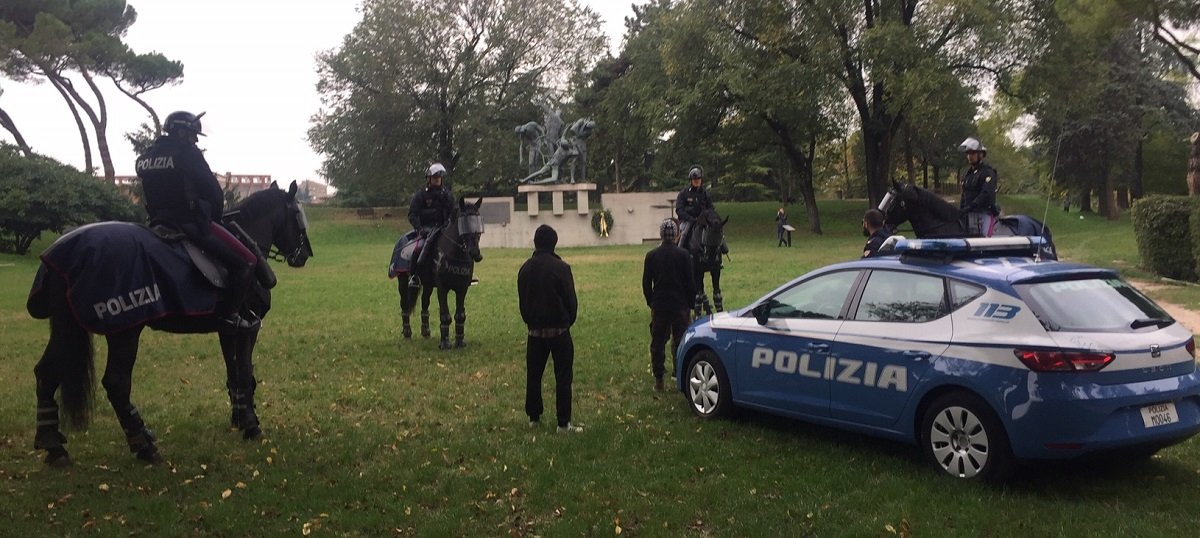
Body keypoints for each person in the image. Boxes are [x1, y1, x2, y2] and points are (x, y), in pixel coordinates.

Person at [136, 111, 259, 333]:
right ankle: (230, 316)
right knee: (247, 261)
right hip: (189, 223)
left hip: (156, 223)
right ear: (181, 132)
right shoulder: (187, 154)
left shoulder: (146, 158)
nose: (195, 140)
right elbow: (213, 191)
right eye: (193, 135)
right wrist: (212, 214)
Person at [517, 225, 581, 433]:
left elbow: (523, 304)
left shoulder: (525, 269)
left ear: (535, 242)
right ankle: (563, 423)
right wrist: (566, 321)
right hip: (559, 330)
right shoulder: (561, 268)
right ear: (554, 242)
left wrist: (531, 322)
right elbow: (571, 302)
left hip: (534, 332)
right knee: (563, 376)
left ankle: (533, 417)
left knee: (533, 376)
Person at [642, 219, 696, 391]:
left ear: (660, 235)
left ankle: (659, 380)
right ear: (677, 235)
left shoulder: (651, 256)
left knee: (658, 342)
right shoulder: (684, 255)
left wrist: (651, 301)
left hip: (660, 305)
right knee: (680, 341)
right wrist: (690, 303)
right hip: (680, 305)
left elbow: (646, 284)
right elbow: (691, 283)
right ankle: (680, 375)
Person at [407, 162, 455, 287]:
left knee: (461, 246)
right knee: (418, 249)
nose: (437, 180)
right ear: (429, 179)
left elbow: (453, 212)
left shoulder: (447, 195)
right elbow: (412, 214)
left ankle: (464, 275)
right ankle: (414, 276)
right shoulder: (421, 195)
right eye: (435, 177)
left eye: (439, 177)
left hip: (445, 229)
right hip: (427, 229)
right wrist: (420, 229)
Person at [958, 137, 999, 237]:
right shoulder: (968, 174)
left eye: (972, 153)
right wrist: (961, 211)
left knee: (984, 242)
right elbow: (964, 195)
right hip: (968, 215)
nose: (969, 156)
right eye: (968, 154)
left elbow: (986, 194)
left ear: (980, 154)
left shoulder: (988, 172)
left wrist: (971, 206)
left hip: (984, 213)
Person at [675, 165, 714, 248]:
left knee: (716, 230)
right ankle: (678, 251)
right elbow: (679, 210)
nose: (697, 181)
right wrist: (690, 218)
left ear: (701, 180)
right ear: (691, 180)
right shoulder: (684, 193)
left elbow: (711, 208)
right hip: (688, 221)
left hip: (704, 221)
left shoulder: (706, 194)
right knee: (684, 234)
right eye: (694, 179)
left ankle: (719, 255)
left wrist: (707, 217)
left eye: (698, 179)